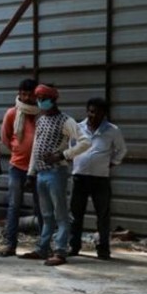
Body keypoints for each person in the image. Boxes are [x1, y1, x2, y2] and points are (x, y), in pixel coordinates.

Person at [20, 85, 91, 266]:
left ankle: (60, 251)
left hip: (56, 172)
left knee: (60, 214)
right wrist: (31, 173)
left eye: (44, 97)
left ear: (53, 99)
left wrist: (63, 155)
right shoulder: (41, 119)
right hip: (42, 173)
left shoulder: (66, 121)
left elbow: (85, 142)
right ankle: (43, 248)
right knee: (46, 214)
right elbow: (36, 148)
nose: (40, 101)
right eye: (38, 97)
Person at [68, 98, 127, 260]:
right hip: (79, 177)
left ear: (104, 114)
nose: (94, 115)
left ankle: (103, 249)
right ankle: (73, 246)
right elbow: (70, 147)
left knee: (103, 216)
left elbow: (121, 150)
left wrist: (112, 163)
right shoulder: (78, 128)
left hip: (100, 179)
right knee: (75, 214)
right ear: (87, 111)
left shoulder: (112, 130)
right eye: (91, 111)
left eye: (98, 112)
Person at [0, 78, 41, 257]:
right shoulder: (12, 113)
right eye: (23, 94)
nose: (26, 98)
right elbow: (6, 137)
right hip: (17, 166)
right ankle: (10, 244)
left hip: (40, 168)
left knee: (41, 208)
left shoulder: (42, 113)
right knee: (14, 206)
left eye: (30, 94)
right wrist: (18, 149)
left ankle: (43, 245)